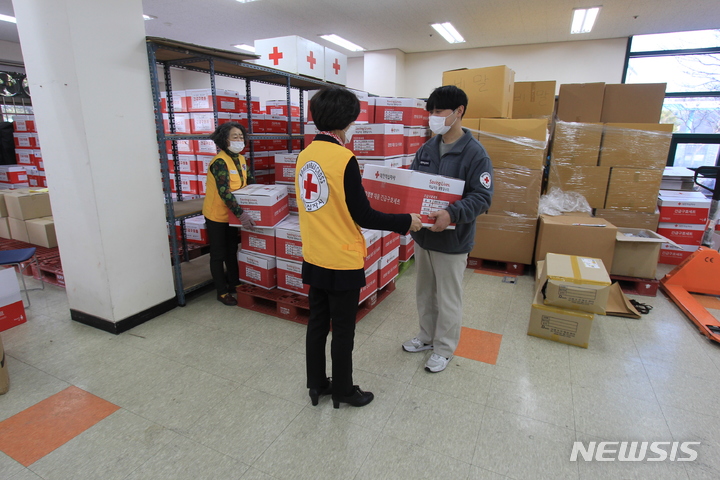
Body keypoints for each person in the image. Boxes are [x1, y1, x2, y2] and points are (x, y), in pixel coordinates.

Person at [296, 86, 423, 408]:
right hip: (341, 258)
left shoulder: (305, 155)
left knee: (316, 324)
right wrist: (405, 221)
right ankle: (343, 389)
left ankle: (316, 384)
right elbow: (363, 214)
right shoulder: (343, 158)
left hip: (314, 254)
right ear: (345, 120)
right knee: (342, 330)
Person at [402, 85, 494, 373]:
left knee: (448, 297)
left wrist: (452, 213)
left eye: (438, 111)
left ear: (459, 112)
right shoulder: (427, 149)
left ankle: (444, 348)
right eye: (430, 111)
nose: (433, 117)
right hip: (423, 237)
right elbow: (414, 185)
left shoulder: (475, 154)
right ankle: (427, 337)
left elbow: (482, 198)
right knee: (424, 292)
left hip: (453, 241)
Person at [201, 121, 256, 306]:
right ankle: (221, 292)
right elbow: (225, 192)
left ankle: (235, 283)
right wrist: (242, 214)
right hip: (217, 215)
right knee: (218, 253)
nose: (239, 140)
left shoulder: (241, 159)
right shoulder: (219, 162)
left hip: (232, 215)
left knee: (232, 250)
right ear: (224, 139)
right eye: (235, 136)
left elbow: (250, 182)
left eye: (241, 136)